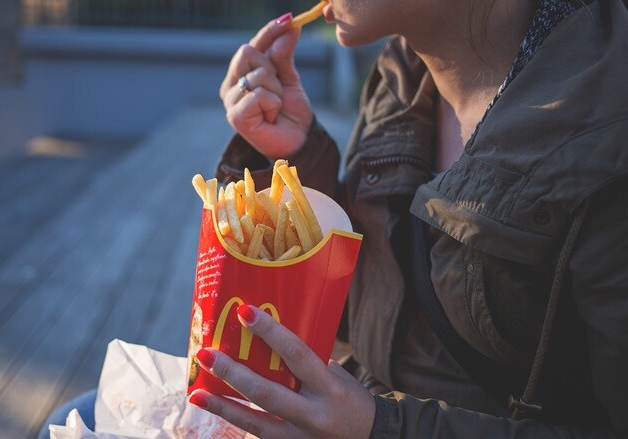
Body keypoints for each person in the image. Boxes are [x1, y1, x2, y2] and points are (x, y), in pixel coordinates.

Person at [187, 0, 628, 437]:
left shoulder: (610, 123)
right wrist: (297, 153)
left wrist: (377, 427)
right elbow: (379, 318)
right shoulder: (401, 71)